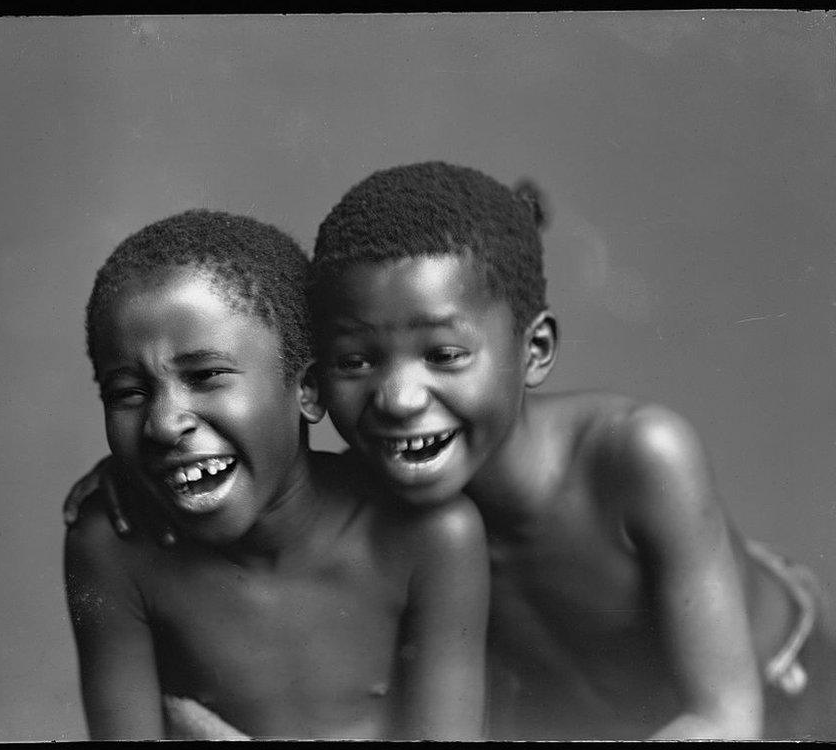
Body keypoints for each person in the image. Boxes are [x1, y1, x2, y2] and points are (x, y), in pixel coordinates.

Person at [67, 164, 836, 741]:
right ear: (315, 382)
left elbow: (725, 717)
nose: (398, 399)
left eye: (444, 354)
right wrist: (139, 473)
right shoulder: (386, 486)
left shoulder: (640, 454)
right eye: (357, 362)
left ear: (533, 352)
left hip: (780, 697)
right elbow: (233, 439)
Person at [64, 209, 489, 740]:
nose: (163, 424)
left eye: (206, 375)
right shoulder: (112, 546)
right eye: (127, 393)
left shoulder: (431, 535)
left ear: (307, 389)